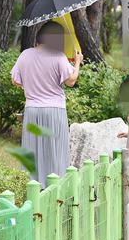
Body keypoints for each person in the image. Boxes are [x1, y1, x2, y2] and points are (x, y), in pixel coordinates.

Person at [11, 21, 83, 184]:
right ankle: (55, 186)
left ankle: (32, 186)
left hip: (32, 109)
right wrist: (77, 61)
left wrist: (31, 84)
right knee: (55, 151)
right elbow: (71, 81)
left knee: (32, 150)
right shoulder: (58, 56)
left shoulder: (25, 54)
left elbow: (15, 80)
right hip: (54, 110)